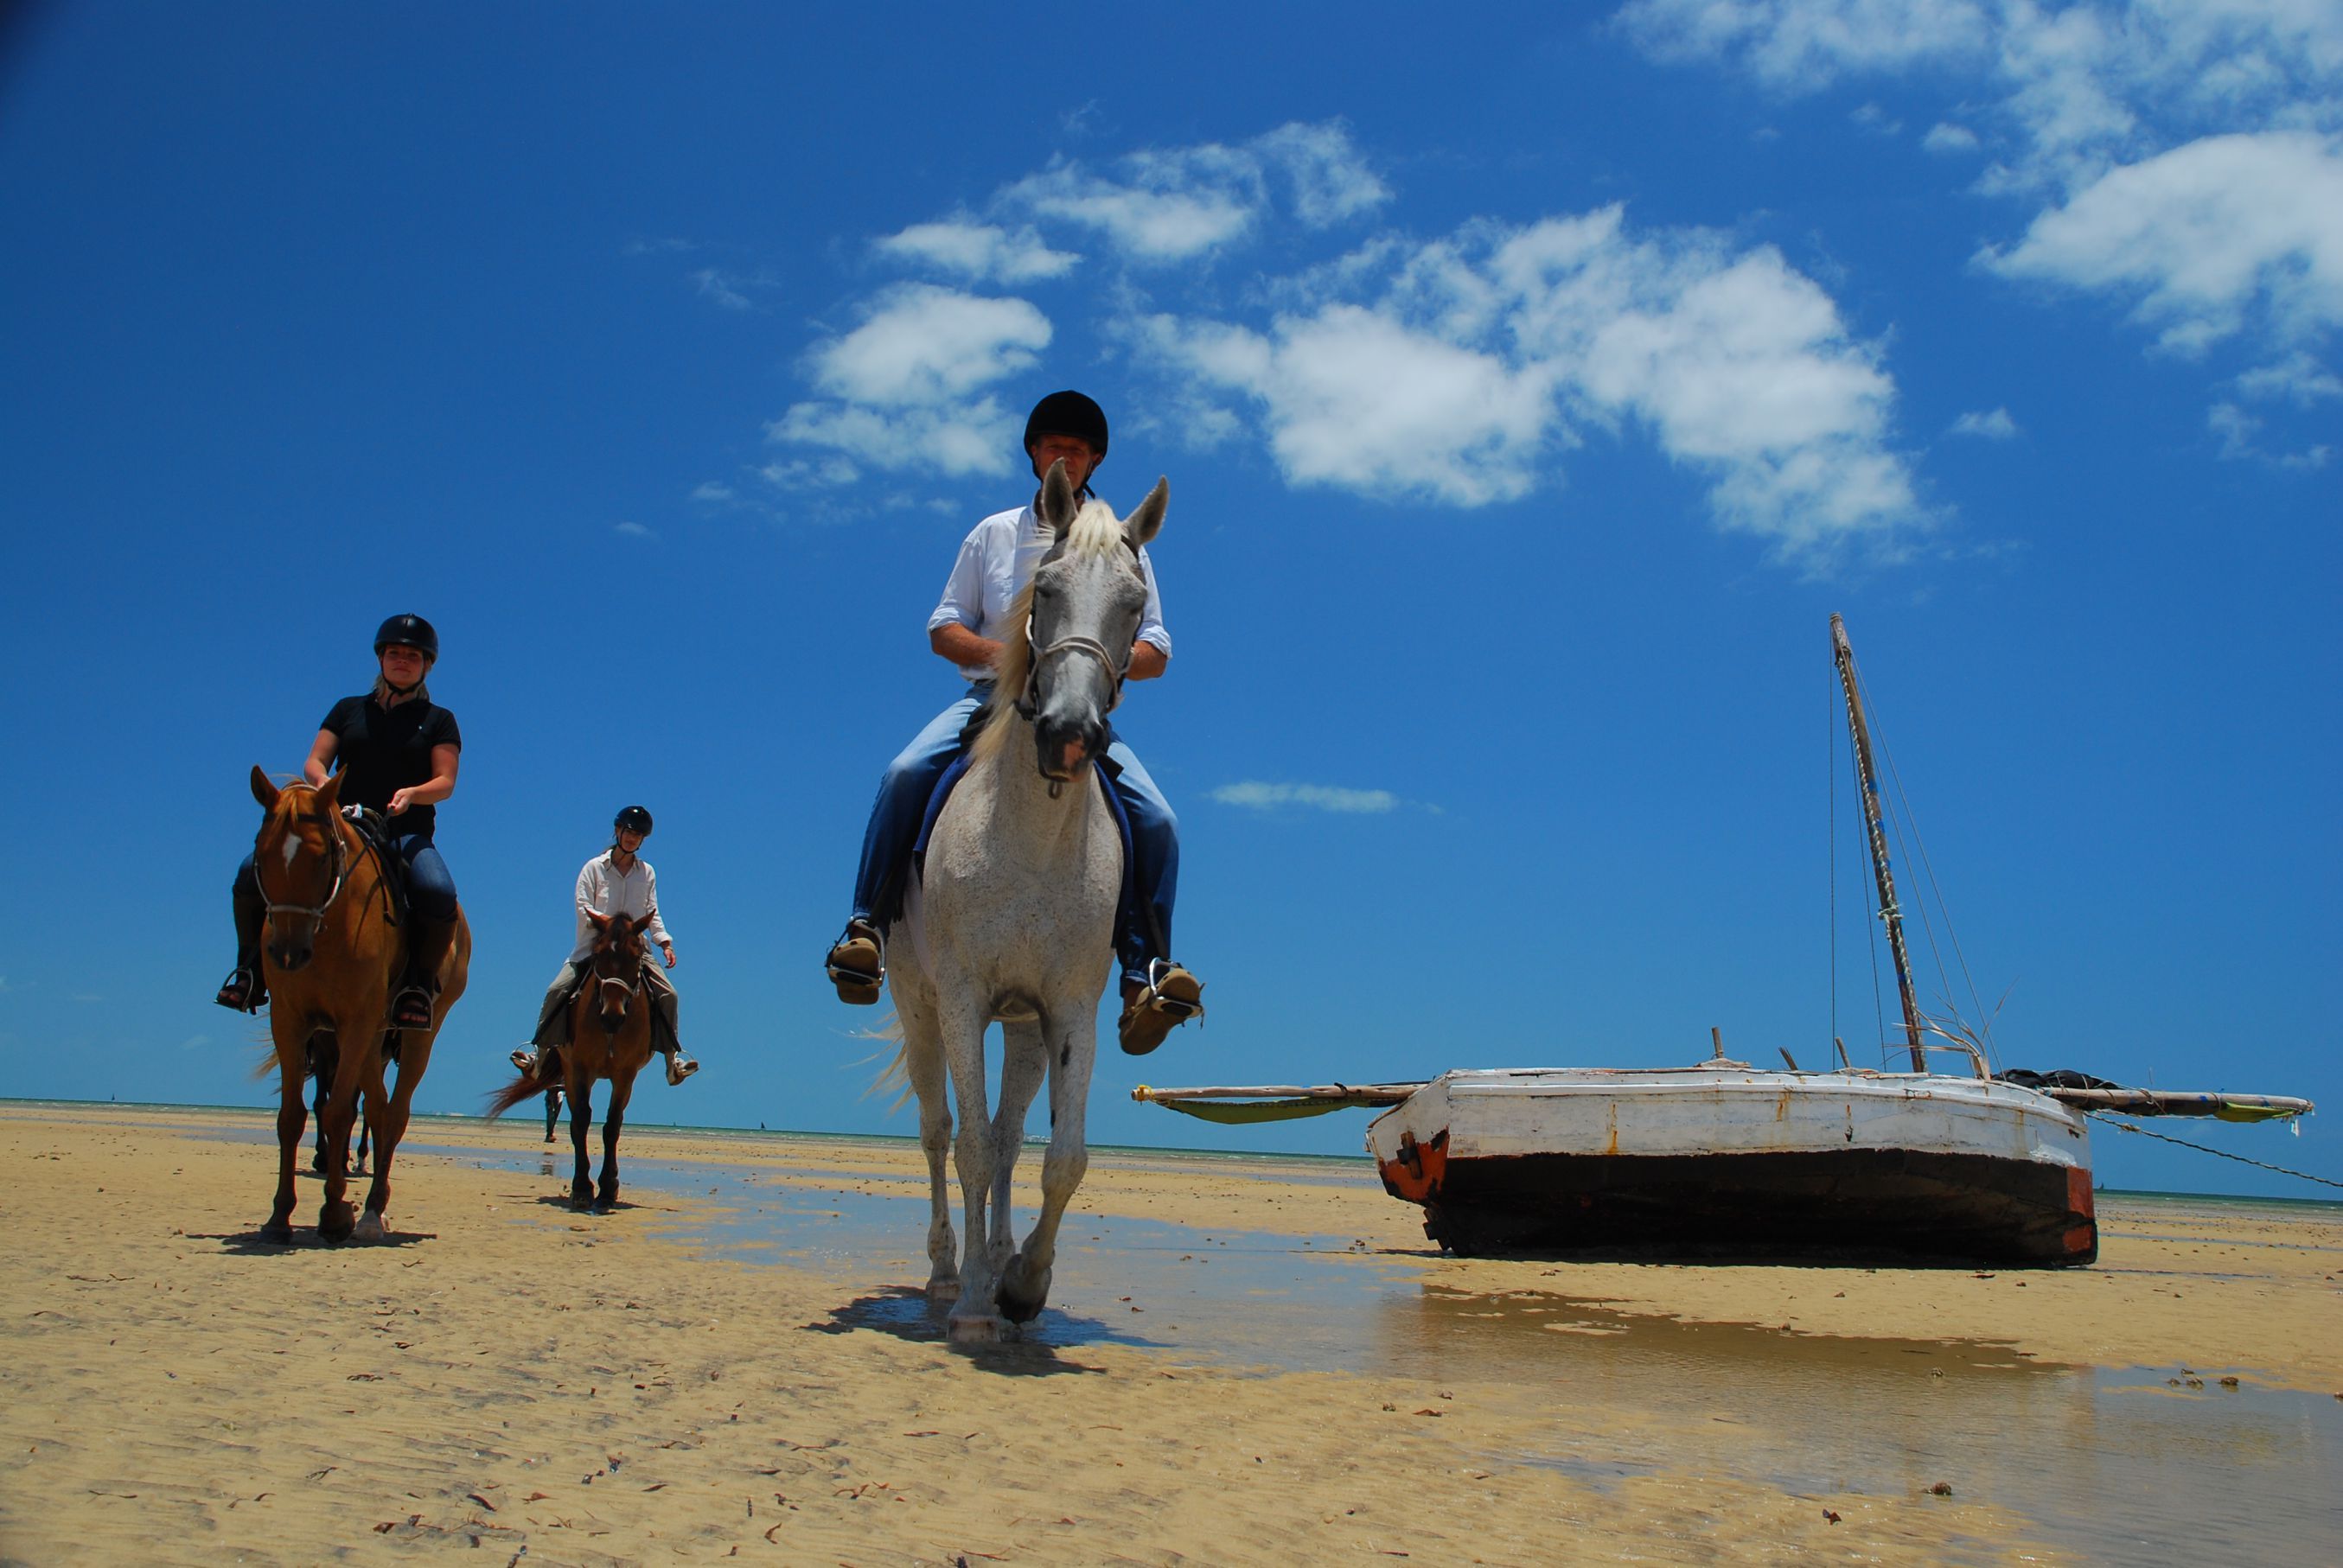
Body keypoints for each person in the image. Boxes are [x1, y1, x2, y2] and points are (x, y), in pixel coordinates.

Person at [822, 390, 1204, 1055]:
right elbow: (944, 629)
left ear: (1095, 460)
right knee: (905, 771)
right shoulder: (993, 533)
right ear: (1034, 454)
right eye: (1054, 445)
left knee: (1160, 821)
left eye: (1078, 449)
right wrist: (1012, 659)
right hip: (991, 702)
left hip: (1081, 706)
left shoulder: (1125, 547)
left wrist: (1098, 667)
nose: (1065, 456)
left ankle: (1143, 973)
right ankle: (867, 931)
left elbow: (1157, 649)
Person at [216, 614, 462, 1031]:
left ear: (426, 666)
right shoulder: (348, 710)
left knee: (438, 891)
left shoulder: (439, 719)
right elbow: (315, 760)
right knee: (248, 871)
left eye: (412, 656)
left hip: (403, 830)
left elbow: (445, 781)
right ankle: (249, 971)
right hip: (339, 826)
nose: (402, 661)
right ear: (381, 659)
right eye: (394, 653)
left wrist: (412, 794)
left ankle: (417, 988)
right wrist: (322, 782)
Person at [511, 806, 697, 1087]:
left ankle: (672, 1063)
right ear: (618, 830)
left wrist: (665, 942)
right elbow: (583, 906)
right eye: (629, 831)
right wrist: (613, 927)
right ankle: (538, 1056)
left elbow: (652, 910)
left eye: (638, 835)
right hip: (596, 946)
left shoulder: (646, 873)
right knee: (557, 990)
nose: (632, 838)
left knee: (669, 994)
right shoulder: (594, 868)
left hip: (634, 949)